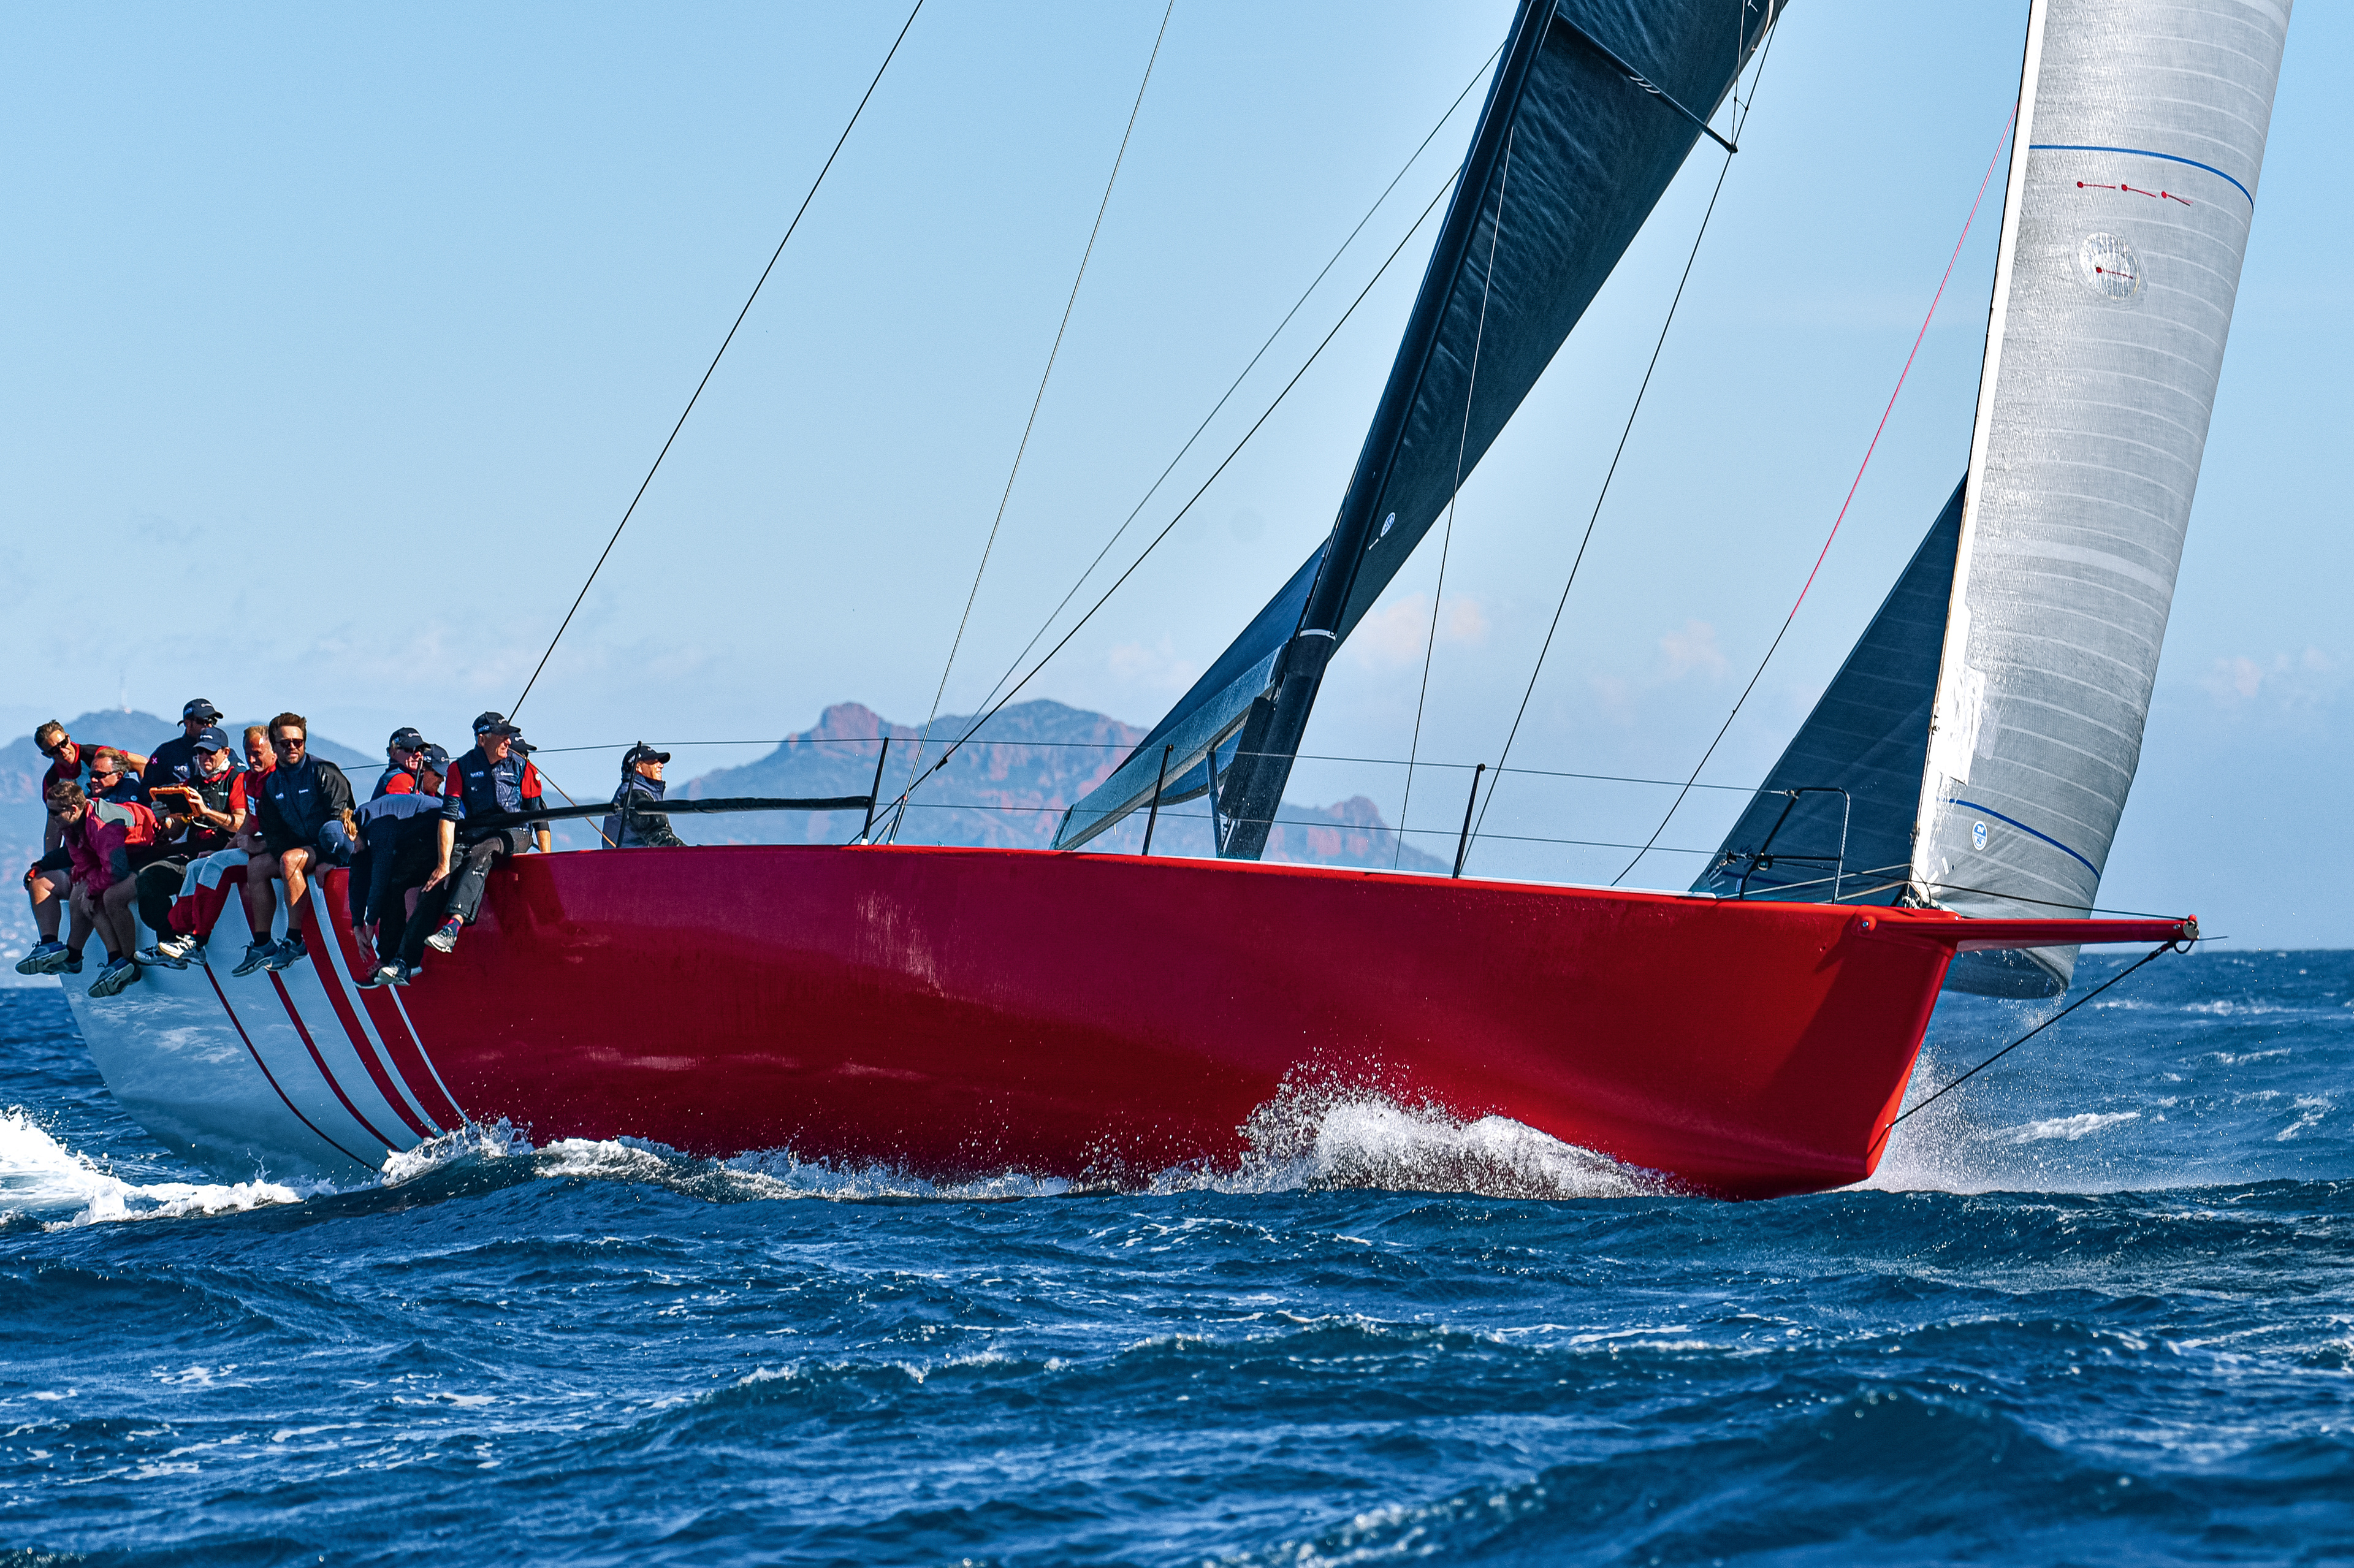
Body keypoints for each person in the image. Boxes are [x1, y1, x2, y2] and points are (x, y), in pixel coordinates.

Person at [403, 711, 543, 967]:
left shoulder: (522, 766)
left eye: (509, 736)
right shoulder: (461, 768)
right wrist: (443, 864)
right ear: (482, 739)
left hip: (515, 833)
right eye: (502, 737)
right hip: (475, 833)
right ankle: (405, 960)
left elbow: (539, 817)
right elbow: (448, 818)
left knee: (484, 851)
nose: (508, 742)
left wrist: (546, 858)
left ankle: (453, 927)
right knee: (439, 879)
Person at [235, 712, 356, 976]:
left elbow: (344, 823)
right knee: (257, 867)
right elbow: (274, 832)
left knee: (289, 860)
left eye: (298, 742)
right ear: (274, 746)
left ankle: (294, 940)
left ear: (304, 742)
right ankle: (263, 943)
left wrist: (331, 860)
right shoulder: (273, 784)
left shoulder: (324, 772)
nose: (292, 747)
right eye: (285, 743)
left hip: (330, 846)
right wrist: (262, 848)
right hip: (300, 847)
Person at [132, 726, 245, 968]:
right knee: (149, 878)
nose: (204, 758)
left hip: (224, 853)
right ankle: (168, 941)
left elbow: (240, 823)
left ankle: (193, 942)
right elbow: (177, 830)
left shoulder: (237, 780)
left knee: (201, 868)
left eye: (210, 753)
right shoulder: (191, 783)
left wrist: (206, 812)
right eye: (200, 753)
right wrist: (166, 817)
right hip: (194, 854)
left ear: (226, 753)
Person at [162, 725, 272, 961]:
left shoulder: (247, 778)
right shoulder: (252, 779)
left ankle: (198, 940)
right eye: (200, 753)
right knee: (196, 866)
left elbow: (242, 823)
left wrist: (260, 846)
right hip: (238, 848)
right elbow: (248, 827)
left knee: (216, 864)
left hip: (271, 852)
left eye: (257, 754)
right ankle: (177, 936)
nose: (251, 759)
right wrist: (171, 816)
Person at [51, 780, 162, 998]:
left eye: (54, 812)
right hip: (121, 859)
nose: (51, 818)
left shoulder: (104, 823)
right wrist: (90, 890)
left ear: (74, 810)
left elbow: (117, 871)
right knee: (82, 894)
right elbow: (84, 864)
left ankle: (129, 961)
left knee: (110, 897)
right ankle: (113, 959)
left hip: (150, 852)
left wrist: (93, 891)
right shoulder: (69, 825)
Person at [354, 744, 451, 986]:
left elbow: (377, 871)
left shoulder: (365, 821)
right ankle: (392, 957)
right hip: (422, 841)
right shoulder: (374, 822)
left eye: (443, 775)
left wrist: (369, 922)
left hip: (441, 837)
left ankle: (403, 959)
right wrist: (361, 921)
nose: (441, 779)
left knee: (394, 883)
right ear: (423, 770)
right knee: (392, 883)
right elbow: (362, 871)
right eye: (437, 774)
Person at [601, 744, 686, 848]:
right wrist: (694, 856)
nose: (661, 765)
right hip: (634, 862)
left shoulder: (632, 792)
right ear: (638, 767)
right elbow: (659, 837)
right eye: (654, 761)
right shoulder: (635, 796)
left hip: (629, 860)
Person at [142, 699, 226, 793]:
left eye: (213, 721)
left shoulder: (222, 751)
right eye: (203, 721)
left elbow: (238, 780)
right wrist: (173, 791)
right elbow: (146, 790)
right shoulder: (166, 753)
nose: (209, 726)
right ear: (187, 723)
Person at [373, 726, 429, 799]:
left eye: (421, 750)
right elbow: (402, 810)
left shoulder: (405, 778)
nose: (418, 754)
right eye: (410, 749)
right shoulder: (401, 779)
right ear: (393, 752)